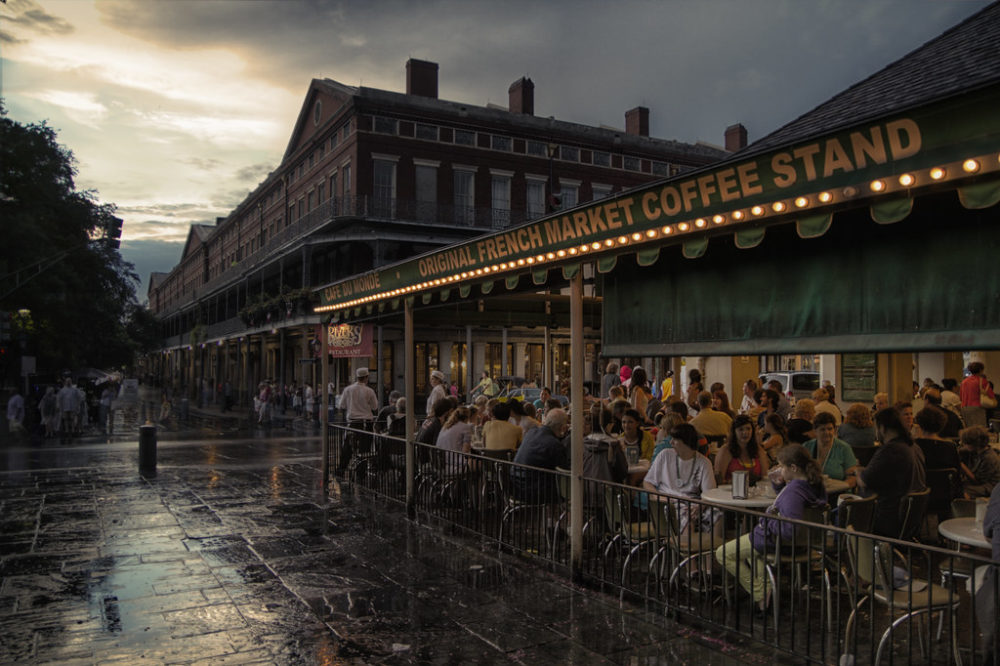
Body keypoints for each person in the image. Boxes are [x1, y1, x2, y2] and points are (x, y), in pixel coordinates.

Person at [715, 443, 828, 614]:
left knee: (723, 553)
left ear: (793, 468)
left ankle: (760, 593)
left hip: (774, 541)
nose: (779, 469)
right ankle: (765, 599)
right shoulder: (814, 485)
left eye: (782, 466)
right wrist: (778, 485)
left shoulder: (793, 492)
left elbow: (790, 527)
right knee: (754, 555)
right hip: (804, 543)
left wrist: (768, 521)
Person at [643, 423, 721, 539]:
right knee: (686, 517)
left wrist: (700, 506)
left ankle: (710, 553)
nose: (671, 442)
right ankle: (687, 555)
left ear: (686, 442)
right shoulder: (665, 455)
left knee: (717, 515)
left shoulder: (704, 462)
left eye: (675, 439)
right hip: (668, 503)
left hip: (694, 503)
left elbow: (709, 493)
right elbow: (648, 482)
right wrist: (659, 497)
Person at [858, 408, 927, 538]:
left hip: (888, 517)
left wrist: (857, 471)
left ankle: (849, 553)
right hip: (909, 518)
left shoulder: (890, 450)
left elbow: (864, 481)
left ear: (882, 428)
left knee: (845, 510)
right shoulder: (913, 446)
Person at [511, 408, 569, 502]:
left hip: (516, 487)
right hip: (536, 492)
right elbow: (564, 472)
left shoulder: (531, 432)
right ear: (563, 427)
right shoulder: (554, 444)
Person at [804, 412, 860, 487]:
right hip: (812, 491)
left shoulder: (844, 448)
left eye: (830, 429)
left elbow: (852, 478)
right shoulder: (807, 447)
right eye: (822, 429)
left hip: (837, 492)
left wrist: (839, 487)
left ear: (835, 430)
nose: (827, 432)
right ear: (815, 431)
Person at [715, 415, 769, 485]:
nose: (745, 432)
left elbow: (765, 477)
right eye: (741, 429)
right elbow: (719, 480)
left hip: (756, 492)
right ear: (734, 432)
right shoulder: (725, 451)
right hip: (730, 493)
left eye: (748, 429)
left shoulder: (759, 450)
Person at [958, 425, 1000, 499]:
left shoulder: (989, 458)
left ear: (975, 444)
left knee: (962, 491)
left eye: (966, 443)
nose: (964, 445)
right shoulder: (975, 450)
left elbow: (978, 482)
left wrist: (963, 467)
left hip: (991, 486)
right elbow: (959, 451)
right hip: (981, 483)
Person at [436, 406, 475, 473]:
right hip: (455, 466)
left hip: (440, 465)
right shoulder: (465, 427)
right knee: (480, 463)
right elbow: (465, 451)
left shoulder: (446, 426)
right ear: (467, 417)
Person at [960, 362, 995, 428]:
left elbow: (961, 397)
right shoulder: (982, 381)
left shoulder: (964, 381)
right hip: (977, 407)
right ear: (981, 370)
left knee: (969, 429)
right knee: (979, 429)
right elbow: (991, 395)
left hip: (964, 407)